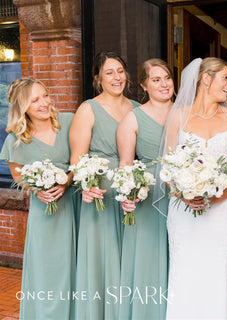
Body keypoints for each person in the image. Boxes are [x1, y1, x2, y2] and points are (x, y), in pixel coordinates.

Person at [161, 57, 227, 319]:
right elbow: (168, 169)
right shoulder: (177, 116)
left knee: (221, 275)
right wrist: (184, 194)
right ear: (206, 79)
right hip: (185, 214)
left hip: (225, 215)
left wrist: (220, 194)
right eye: (226, 78)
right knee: (186, 273)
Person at [69, 51, 140, 319]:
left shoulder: (136, 107)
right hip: (99, 192)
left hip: (132, 192)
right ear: (98, 78)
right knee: (101, 259)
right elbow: (77, 158)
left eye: (120, 71)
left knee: (128, 255)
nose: (116, 77)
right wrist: (86, 185)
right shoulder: (88, 109)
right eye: (109, 72)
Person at [0, 78, 76, 319]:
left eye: (45, 95)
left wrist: (67, 181)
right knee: (47, 269)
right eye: (35, 100)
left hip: (73, 206)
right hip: (43, 214)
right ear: (23, 107)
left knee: (74, 266)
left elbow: (81, 160)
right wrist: (37, 189)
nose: (45, 102)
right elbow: (18, 175)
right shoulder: (16, 139)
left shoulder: (69, 121)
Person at [117, 58, 174, 319]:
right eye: (156, 79)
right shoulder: (133, 118)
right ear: (143, 85)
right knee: (149, 260)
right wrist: (127, 196)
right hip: (148, 195)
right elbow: (126, 165)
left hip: (185, 194)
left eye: (167, 78)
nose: (164, 84)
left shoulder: (187, 112)